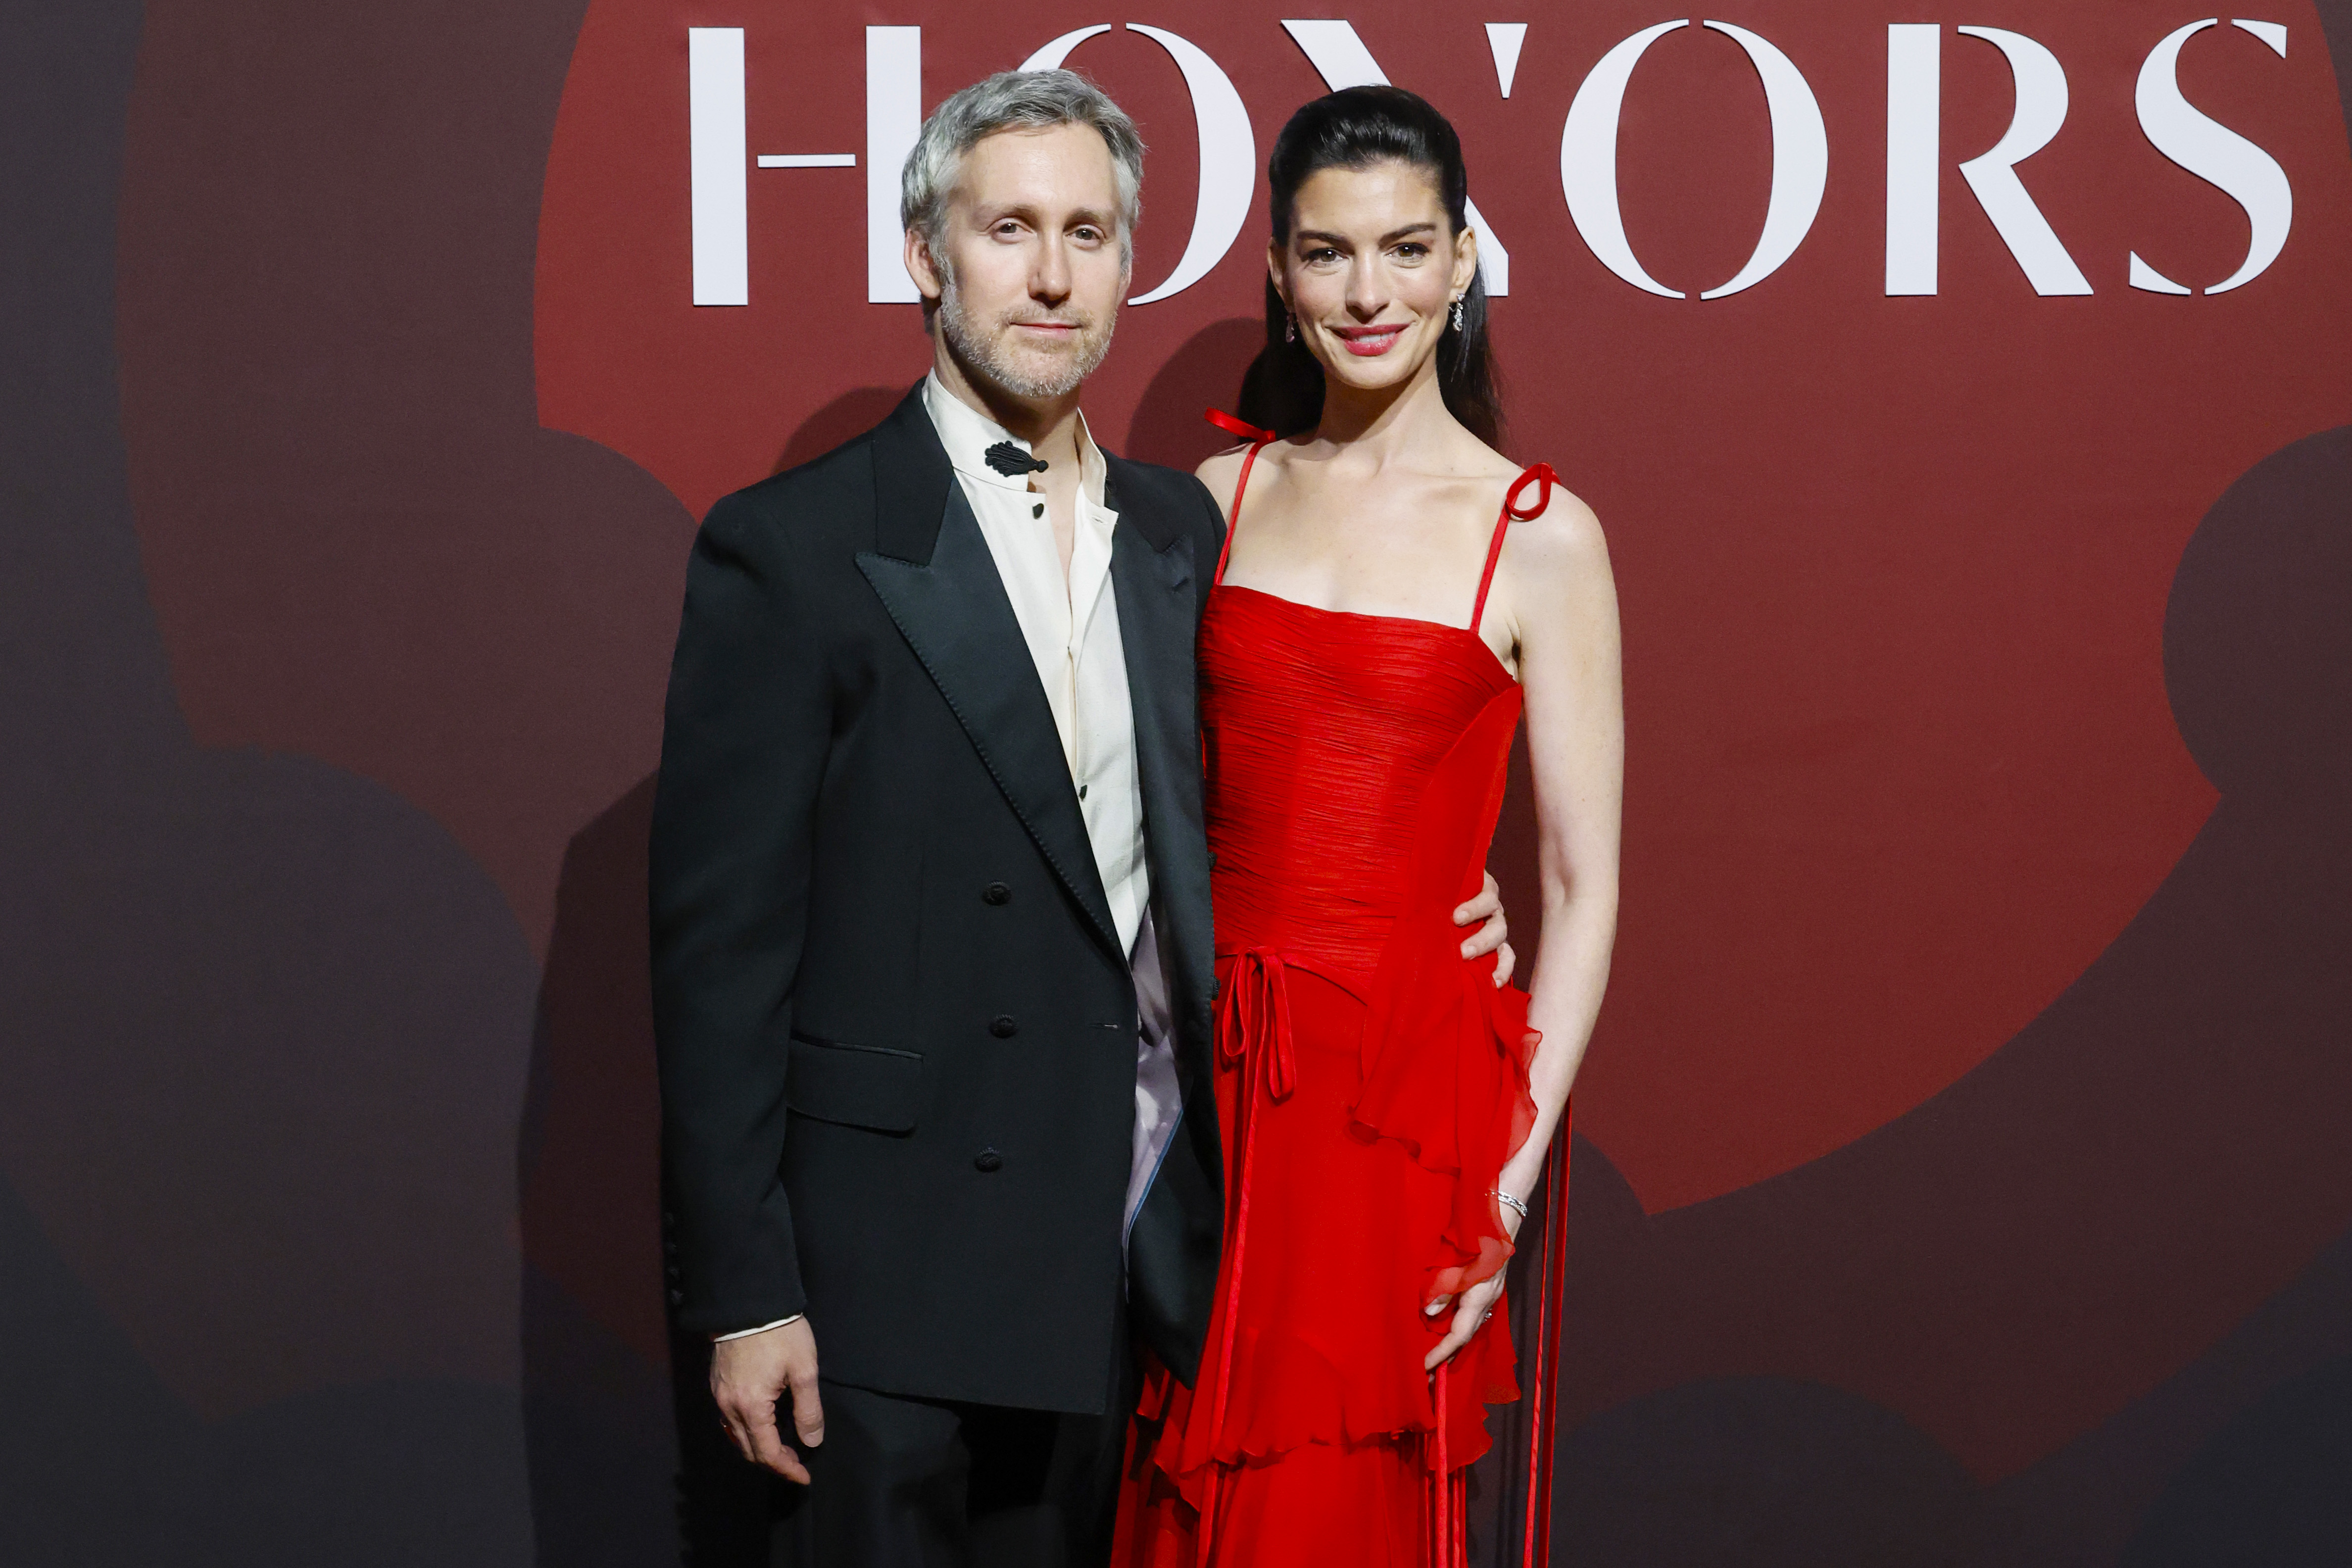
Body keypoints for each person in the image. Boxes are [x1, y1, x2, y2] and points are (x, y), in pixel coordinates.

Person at [648, 70, 1509, 1567]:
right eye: (1010, 229)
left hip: (1105, 1277)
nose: (1053, 276)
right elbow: (717, 963)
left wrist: (1446, 877)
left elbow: (1265, 792)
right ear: (927, 254)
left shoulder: (1183, 530)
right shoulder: (791, 548)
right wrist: (746, 1291)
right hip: (867, 1301)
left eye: (1091, 234)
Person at [1115, 87, 1623, 1567]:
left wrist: (1508, 1183)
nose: (1369, 292)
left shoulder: (1542, 530)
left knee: (1333, 1503)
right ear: (1278, 271)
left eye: (1408, 250)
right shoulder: (1217, 497)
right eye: (1330, 255)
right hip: (1202, 1085)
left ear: (1465, 261)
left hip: (1397, 1110)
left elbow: (1586, 887)